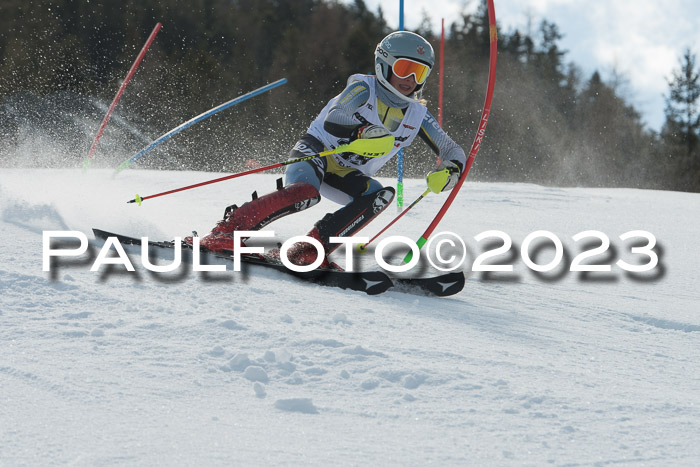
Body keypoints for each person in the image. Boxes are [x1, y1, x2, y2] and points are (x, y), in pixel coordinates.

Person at [191, 31, 466, 268]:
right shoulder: (363, 87)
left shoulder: (417, 115)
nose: (410, 79)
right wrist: (364, 132)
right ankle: (226, 231)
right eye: (404, 68)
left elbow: (452, 150)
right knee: (305, 193)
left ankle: (307, 251)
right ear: (384, 64)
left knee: (380, 195)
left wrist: (451, 171)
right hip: (316, 152)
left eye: (419, 72)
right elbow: (337, 115)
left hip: (345, 172)